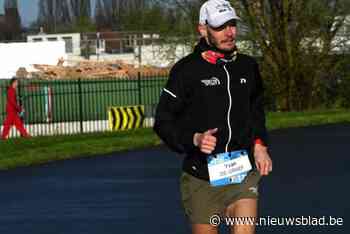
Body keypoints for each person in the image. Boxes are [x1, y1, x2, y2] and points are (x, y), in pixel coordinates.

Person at [153, 0, 273, 233]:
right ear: (203, 29)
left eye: (232, 25)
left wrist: (260, 144)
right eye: (220, 27)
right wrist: (195, 139)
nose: (230, 33)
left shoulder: (248, 67)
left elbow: (256, 111)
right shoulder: (186, 70)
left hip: (243, 173)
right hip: (202, 177)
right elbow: (163, 120)